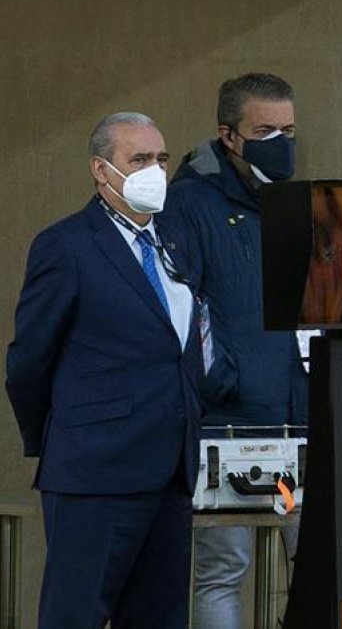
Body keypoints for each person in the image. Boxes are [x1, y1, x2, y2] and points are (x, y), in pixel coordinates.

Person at [6, 112, 204, 628]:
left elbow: (182, 346)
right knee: (76, 614)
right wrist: (61, 436)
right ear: (101, 169)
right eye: (139, 159)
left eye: (161, 159)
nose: (155, 171)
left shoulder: (174, 241)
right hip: (95, 472)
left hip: (170, 470)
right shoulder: (66, 245)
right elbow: (29, 361)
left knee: (159, 617)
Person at [160, 72, 308, 628]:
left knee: (315, 563)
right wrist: (222, 381)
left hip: (298, 425)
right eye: (265, 129)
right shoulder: (187, 205)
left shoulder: (294, 201)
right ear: (229, 135)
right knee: (224, 570)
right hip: (227, 428)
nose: (282, 142)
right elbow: (180, 308)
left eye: (289, 129)